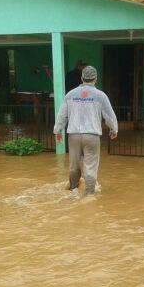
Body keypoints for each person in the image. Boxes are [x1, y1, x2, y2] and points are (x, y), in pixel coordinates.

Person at [53, 65, 118, 195]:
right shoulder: (101, 96)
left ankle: (72, 190)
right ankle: (89, 194)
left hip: (74, 135)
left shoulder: (70, 94)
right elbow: (109, 115)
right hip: (92, 136)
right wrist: (113, 129)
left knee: (74, 165)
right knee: (90, 166)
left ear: (82, 78)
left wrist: (57, 131)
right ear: (96, 79)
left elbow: (61, 115)